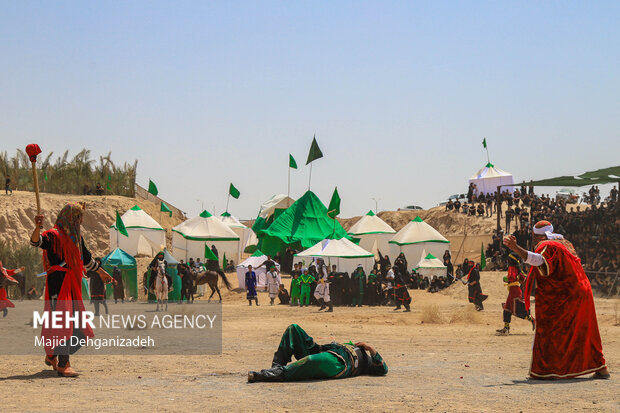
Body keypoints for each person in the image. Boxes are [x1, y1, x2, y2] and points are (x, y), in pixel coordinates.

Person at [503, 221, 609, 379]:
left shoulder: (547, 244)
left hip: (565, 295)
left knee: (551, 330)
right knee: (585, 331)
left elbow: (539, 261)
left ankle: (549, 369)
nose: (533, 240)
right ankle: (600, 367)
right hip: (582, 290)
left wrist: (516, 248)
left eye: (534, 237)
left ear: (537, 236)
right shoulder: (565, 243)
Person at [30, 202, 113, 377]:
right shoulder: (53, 235)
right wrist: (37, 228)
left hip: (72, 285)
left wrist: (102, 273)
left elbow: (87, 261)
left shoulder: (76, 239)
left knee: (78, 326)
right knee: (63, 322)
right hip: (57, 284)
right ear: (71, 217)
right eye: (78, 217)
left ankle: (52, 355)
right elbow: (36, 242)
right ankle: (63, 363)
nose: (81, 221)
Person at [247, 324, 388, 382]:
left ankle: (266, 375)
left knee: (311, 361)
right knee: (293, 329)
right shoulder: (352, 346)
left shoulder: (368, 363)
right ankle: (276, 367)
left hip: (338, 363)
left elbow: (383, 369)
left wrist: (370, 348)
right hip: (323, 350)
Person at [495, 253, 534, 335]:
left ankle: (532, 320)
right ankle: (506, 328)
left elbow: (511, 277)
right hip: (514, 290)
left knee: (517, 309)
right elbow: (523, 278)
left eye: (509, 259)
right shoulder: (517, 268)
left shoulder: (511, 268)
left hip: (514, 291)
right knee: (507, 308)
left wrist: (506, 279)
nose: (507, 260)